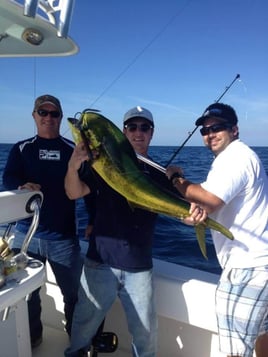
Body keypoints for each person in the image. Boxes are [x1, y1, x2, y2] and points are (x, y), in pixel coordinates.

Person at [64, 106, 206, 357]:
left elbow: (181, 214)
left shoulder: (160, 173)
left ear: (151, 133)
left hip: (139, 266)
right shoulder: (102, 163)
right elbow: (74, 193)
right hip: (100, 261)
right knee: (84, 324)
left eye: (144, 128)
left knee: (145, 334)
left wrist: (194, 217)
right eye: (132, 127)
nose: (138, 133)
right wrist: (73, 166)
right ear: (123, 132)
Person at [166, 102, 268, 357]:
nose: (210, 134)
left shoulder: (236, 157)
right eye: (205, 130)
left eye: (217, 127)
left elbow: (209, 199)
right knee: (262, 336)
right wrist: (196, 210)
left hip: (248, 270)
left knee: (235, 350)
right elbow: (209, 204)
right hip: (260, 267)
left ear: (234, 130)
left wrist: (174, 179)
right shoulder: (231, 160)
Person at [2, 94, 84, 348]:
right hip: (27, 237)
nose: (48, 118)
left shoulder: (73, 150)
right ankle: (32, 338)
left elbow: (88, 187)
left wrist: (94, 221)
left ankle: (78, 343)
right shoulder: (21, 148)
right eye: (43, 113)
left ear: (60, 117)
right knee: (27, 295)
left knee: (74, 296)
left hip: (64, 239)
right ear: (34, 116)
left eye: (54, 113)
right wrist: (20, 185)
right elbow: (7, 180)